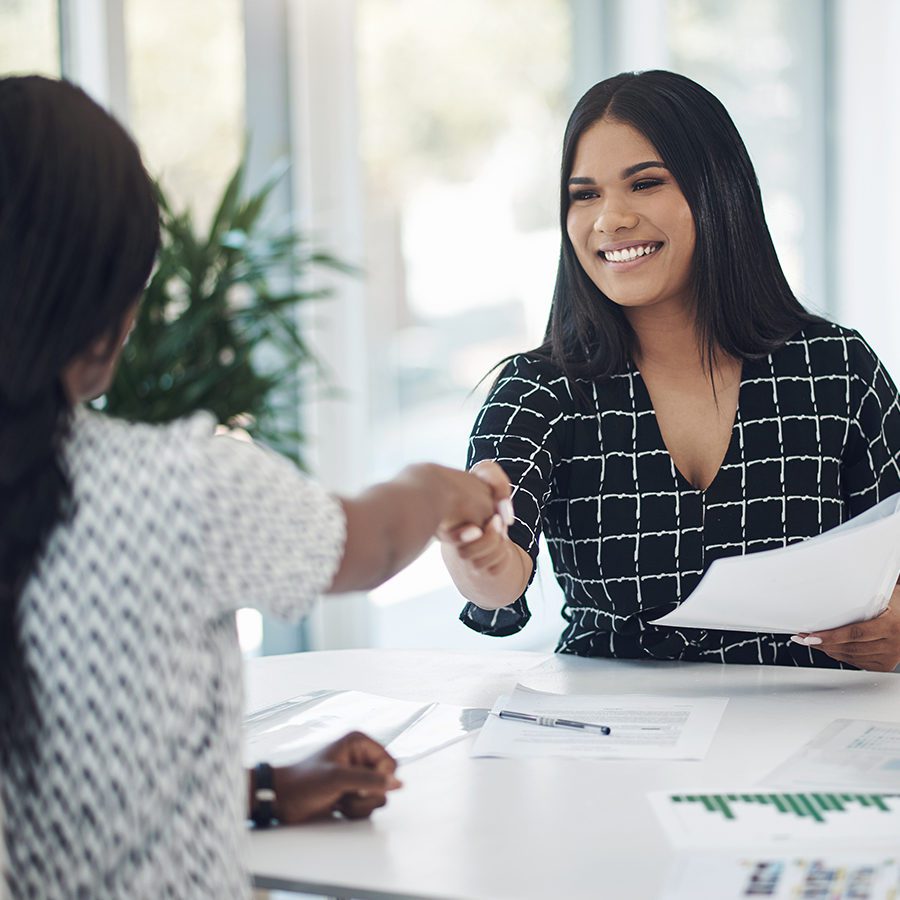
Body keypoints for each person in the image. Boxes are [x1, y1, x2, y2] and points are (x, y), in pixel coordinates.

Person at [0, 75, 512, 899]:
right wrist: (437, 488)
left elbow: (54, 793)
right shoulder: (178, 485)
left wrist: (264, 789)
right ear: (110, 304)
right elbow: (368, 545)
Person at [441, 69, 900, 673]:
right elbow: (500, 581)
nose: (610, 219)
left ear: (719, 190)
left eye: (645, 183)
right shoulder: (540, 390)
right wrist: (478, 557)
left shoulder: (836, 368)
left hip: (807, 739)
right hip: (613, 742)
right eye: (584, 194)